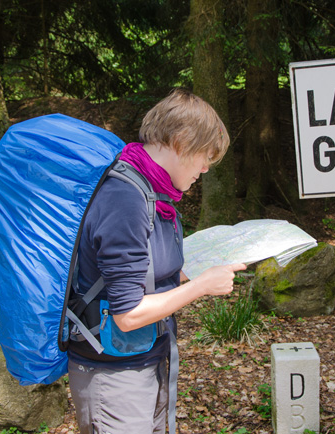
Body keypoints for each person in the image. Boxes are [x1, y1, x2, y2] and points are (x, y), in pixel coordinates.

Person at [67, 88, 246, 434]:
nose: (206, 168)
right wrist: (201, 286)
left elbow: (147, 274)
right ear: (181, 141)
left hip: (147, 362)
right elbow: (128, 314)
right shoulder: (125, 198)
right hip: (114, 378)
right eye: (205, 156)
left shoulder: (156, 195)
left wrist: (193, 271)